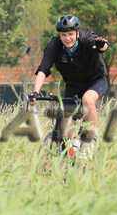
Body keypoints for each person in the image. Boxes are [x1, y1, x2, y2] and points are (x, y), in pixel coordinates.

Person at [31, 14, 109, 147]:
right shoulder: (54, 46)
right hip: (73, 86)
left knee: (87, 100)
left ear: (77, 33)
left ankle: (90, 141)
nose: (67, 38)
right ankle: (68, 154)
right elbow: (43, 69)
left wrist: (102, 45)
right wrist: (35, 92)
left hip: (96, 80)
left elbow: (102, 46)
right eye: (64, 35)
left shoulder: (86, 37)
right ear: (59, 35)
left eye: (71, 34)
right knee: (64, 134)